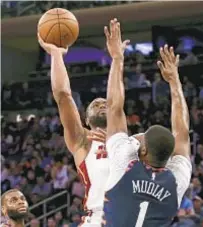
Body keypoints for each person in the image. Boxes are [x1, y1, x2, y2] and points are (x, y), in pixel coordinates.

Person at [99, 18, 192, 226]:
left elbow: (114, 108)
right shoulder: (177, 179)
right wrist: (175, 82)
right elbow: (183, 132)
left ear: (142, 152)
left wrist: (117, 58)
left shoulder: (123, 162)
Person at [37, 30, 110, 225]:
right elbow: (63, 95)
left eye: (106, 103)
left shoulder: (133, 144)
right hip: (98, 219)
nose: (102, 104)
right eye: (96, 105)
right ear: (86, 120)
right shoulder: (83, 140)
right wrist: (56, 55)